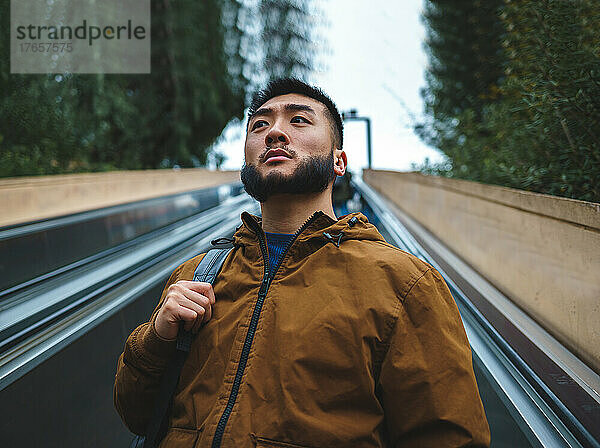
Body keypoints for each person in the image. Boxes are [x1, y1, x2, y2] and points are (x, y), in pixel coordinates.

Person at [114, 78, 491, 448]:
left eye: (298, 120)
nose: (274, 132)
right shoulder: (197, 274)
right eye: (260, 124)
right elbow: (138, 416)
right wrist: (156, 340)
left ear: (338, 161)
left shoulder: (403, 283)